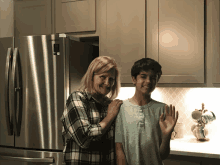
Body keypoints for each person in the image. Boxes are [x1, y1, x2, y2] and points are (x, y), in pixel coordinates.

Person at [115, 58, 179, 165]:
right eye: (143, 76)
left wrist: (167, 136)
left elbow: (163, 155)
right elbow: (119, 148)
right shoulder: (122, 108)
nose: (148, 81)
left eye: (153, 77)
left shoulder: (163, 110)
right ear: (134, 79)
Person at [60, 56, 123, 165]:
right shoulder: (77, 98)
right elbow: (84, 138)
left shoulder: (110, 105)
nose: (107, 83)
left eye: (111, 79)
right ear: (91, 76)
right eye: (103, 77)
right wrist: (109, 117)